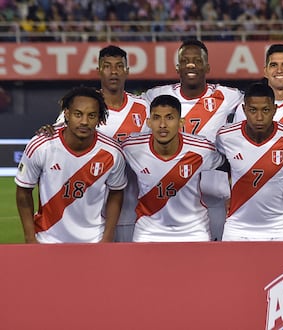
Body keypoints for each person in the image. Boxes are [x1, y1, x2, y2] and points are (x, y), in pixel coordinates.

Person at [37, 45, 149, 242]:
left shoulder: (143, 107)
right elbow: (58, 145)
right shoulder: (83, 106)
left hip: (135, 212)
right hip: (91, 219)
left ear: (127, 71)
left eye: (119, 66)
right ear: (98, 70)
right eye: (107, 66)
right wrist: (46, 132)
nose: (113, 71)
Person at [143, 38, 244, 241]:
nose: (191, 64)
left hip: (214, 192)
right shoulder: (156, 95)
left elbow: (262, 101)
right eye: (186, 60)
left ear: (207, 67)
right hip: (170, 192)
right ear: (178, 67)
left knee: (212, 259)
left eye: (197, 60)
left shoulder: (229, 96)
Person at [15, 87, 127, 243]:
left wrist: (107, 236)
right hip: (47, 239)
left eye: (92, 115)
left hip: (94, 240)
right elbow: (23, 191)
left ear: (100, 118)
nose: (84, 122)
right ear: (66, 114)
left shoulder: (112, 152)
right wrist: (29, 237)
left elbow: (116, 194)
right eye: (78, 114)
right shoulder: (42, 145)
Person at [215, 83, 283, 241]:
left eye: (266, 110)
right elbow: (219, 162)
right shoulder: (225, 136)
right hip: (237, 228)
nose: (259, 117)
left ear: (274, 110)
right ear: (244, 109)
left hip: (281, 229)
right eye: (253, 110)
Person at [122, 95, 225, 242]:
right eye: (157, 118)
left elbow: (230, 167)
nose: (162, 125)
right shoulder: (131, 147)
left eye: (169, 118)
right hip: (148, 231)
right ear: (149, 123)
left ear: (180, 122)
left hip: (194, 230)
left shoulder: (202, 149)